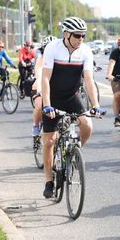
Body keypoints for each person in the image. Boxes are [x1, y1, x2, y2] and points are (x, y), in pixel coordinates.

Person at [41, 16, 102, 199]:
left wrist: (95, 105)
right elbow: (45, 78)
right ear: (66, 34)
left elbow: (89, 80)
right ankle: (49, 181)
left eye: (83, 35)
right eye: (77, 35)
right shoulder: (53, 48)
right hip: (53, 97)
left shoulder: (85, 51)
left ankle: (74, 152)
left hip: (71, 96)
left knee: (87, 125)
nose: (81, 39)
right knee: (50, 141)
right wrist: (47, 105)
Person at [30, 35, 57, 136]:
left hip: (54, 87)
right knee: (39, 105)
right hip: (40, 86)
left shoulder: (60, 58)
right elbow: (39, 74)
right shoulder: (41, 59)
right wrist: (40, 90)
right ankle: (36, 125)